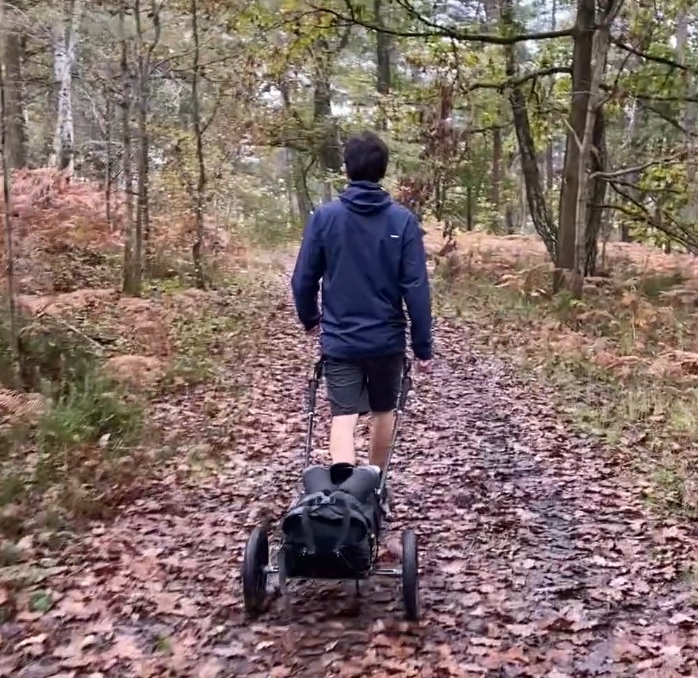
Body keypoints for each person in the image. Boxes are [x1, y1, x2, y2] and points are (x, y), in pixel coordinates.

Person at [291, 130, 433, 477]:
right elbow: (416, 287)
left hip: (340, 340)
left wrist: (311, 319)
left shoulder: (325, 218)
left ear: (347, 168)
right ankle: (372, 488)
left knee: (343, 416)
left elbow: (303, 279)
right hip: (386, 341)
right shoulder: (403, 221)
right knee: (384, 411)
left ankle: (343, 494)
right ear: (383, 170)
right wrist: (422, 346)